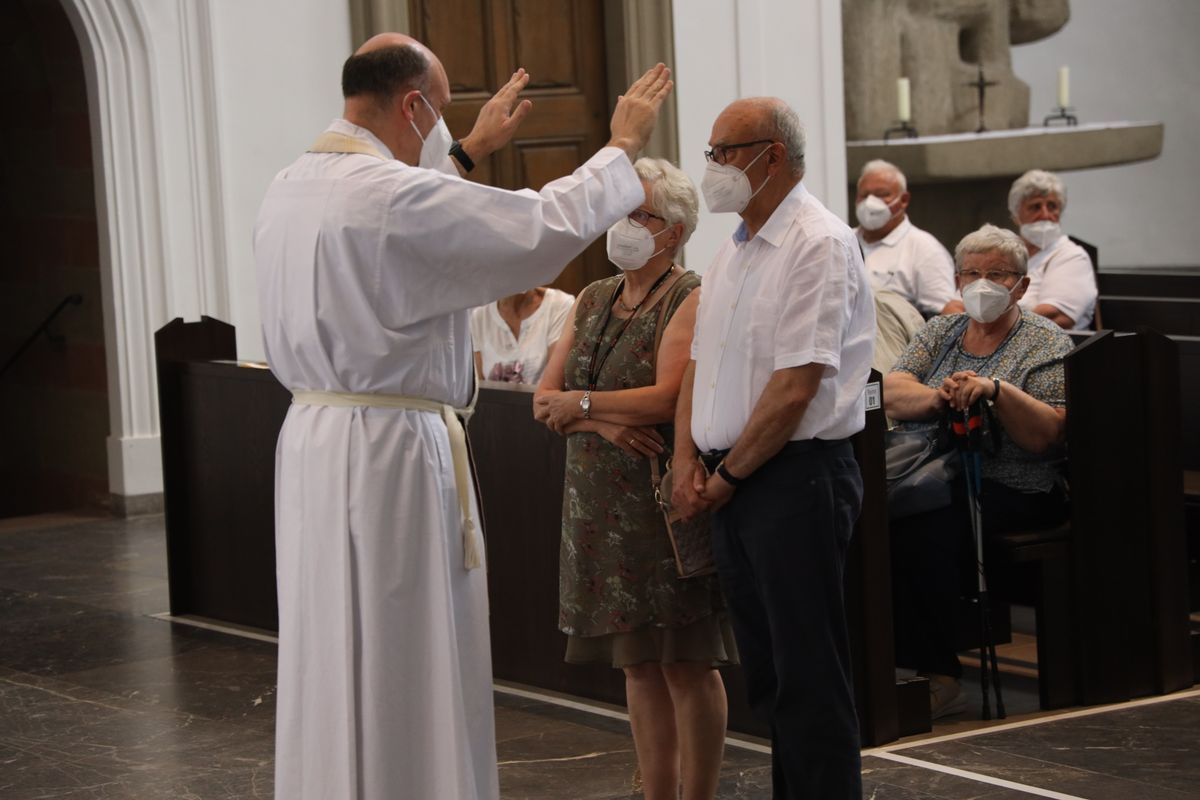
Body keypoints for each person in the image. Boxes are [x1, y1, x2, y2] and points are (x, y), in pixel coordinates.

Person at [254, 31, 673, 799]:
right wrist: (619, 147)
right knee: (401, 643)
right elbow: (536, 228)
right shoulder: (389, 196)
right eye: (442, 113)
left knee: (329, 641)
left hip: (313, 440)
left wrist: (468, 153)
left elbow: (408, 234)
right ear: (412, 106)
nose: (445, 127)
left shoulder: (291, 183)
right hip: (387, 449)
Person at [672, 97, 875, 799]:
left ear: (772, 156)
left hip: (796, 479)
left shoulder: (817, 242)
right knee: (769, 674)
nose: (714, 168)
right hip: (736, 483)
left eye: (723, 152)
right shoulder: (730, 251)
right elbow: (700, 362)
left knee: (809, 673)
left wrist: (726, 474)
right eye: (711, 153)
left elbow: (796, 386)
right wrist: (683, 460)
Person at [533, 157, 733, 800]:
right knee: (638, 665)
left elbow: (671, 394)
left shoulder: (690, 293)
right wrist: (600, 425)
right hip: (598, 503)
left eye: (637, 214)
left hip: (658, 499)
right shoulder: (592, 296)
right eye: (618, 212)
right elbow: (546, 399)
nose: (621, 225)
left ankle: (697, 794)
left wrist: (586, 408)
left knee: (686, 661)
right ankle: (658, 794)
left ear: (672, 231)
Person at [884, 224, 1073, 719]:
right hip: (942, 472)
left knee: (922, 529)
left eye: (997, 274)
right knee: (874, 517)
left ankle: (940, 674)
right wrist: (938, 397)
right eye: (972, 273)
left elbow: (1047, 435)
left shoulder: (1045, 341)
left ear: (1022, 286)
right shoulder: (941, 331)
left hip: (1020, 483)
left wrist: (996, 390)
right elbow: (891, 387)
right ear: (956, 277)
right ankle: (893, 663)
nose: (982, 283)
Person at [854, 159, 957, 317]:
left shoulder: (925, 249)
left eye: (882, 195)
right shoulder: (844, 241)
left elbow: (945, 316)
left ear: (903, 200)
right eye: (864, 195)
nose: (870, 202)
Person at [1007, 169, 1097, 330]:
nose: (1045, 214)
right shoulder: (1003, 254)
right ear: (1016, 215)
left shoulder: (1072, 256)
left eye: (1052, 206)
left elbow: (1055, 316)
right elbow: (958, 304)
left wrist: (989, 329)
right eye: (1035, 207)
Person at [470, 286, 573, 383]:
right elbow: (480, 387)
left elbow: (555, 385)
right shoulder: (479, 316)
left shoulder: (559, 305)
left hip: (541, 401)